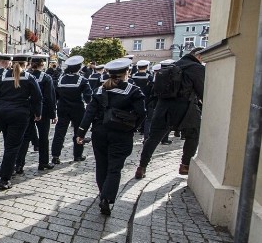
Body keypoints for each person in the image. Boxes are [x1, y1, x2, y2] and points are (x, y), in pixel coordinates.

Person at [77, 58, 147, 215]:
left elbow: (89, 113)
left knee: (101, 165)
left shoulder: (101, 90)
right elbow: (142, 113)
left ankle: (103, 194)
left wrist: (81, 132)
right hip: (121, 133)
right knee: (115, 167)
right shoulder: (133, 90)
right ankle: (106, 199)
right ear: (126, 73)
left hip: (99, 133)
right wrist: (133, 127)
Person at [135, 49, 205, 179]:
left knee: (153, 137)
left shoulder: (173, 65)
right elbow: (203, 91)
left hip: (162, 107)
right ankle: (185, 165)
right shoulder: (197, 68)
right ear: (199, 56)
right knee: (193, 133)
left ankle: (142, 167)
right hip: (185, 108)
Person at [0, 53, 42, 190]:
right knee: (12, 147)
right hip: (20, 114)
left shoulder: (2, 77)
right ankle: (4, 178)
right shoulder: (29, 77)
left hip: (2, 113)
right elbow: (38, 97)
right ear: (26, 64)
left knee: (8, 144)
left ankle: (6, 171)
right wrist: (38, 113)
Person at [15, 55, 56, 172]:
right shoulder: (46, 77)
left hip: (27, 110)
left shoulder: (25, 76)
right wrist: (53, 114)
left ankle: (19, 164)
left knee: (25, 138)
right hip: (43, 111)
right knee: (43, 137)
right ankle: (43, 163)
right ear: (42, 65)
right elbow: (50, 97)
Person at [51, 55, 92, 164]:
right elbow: (88, 97)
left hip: (62, 108)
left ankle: (55, 155)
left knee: (59, 132)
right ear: (79, 68)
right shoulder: (82, 80)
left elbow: (56, 95)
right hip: (77, 109)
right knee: (78, 132)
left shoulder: (61, 79)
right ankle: (78, 155)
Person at [129, 60, 153, 138]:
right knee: (144, 113)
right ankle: (143, 129)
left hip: (134, 96)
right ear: (146, 67)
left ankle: (134, 127)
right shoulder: (149, 76)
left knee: (134, 112)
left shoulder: (133, 75)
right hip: (146, 97)